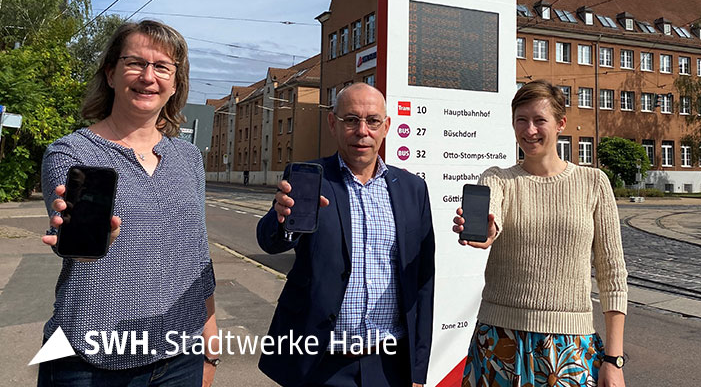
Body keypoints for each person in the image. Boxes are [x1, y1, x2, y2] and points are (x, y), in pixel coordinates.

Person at [40, 20, 218, 386]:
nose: (148, 76)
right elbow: (75, 243)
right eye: (135, 63)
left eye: (162, 67)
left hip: (179, 354)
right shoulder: (70, 152)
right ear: (110, 74)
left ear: (175, 84)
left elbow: (197, 253)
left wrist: (209, 334)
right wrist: (85, 244)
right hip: (87, 358)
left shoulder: (188, 157)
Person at [256, 82, 435, 387]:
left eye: (372, 121)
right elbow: (270, 241)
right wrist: (282, 220)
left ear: (386, 126)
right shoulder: (310, 179)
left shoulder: (412, 189)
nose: (362, 131)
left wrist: (418, 369)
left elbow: (422, 282)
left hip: (389, 364)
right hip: (318, 363)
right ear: (333, 124)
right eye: (351, 120)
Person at [453, 80, 629, 387]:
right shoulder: (497, 179)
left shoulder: (594, 183)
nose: (529, 130)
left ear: (560, 123)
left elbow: (612, 274)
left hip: (569, 347)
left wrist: (614, 360)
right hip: (500, 341)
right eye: (521, 120)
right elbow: (490, 223)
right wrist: (486, 232)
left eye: (539, 120)